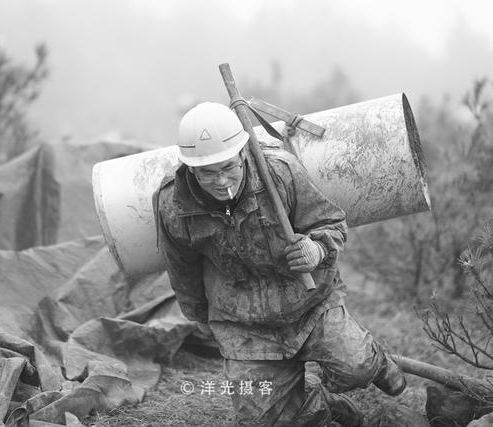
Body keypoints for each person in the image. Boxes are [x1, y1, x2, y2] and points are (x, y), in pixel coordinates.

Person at [152, 101, 406, 426]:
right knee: (265, 420)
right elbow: (182, 270)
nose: (221, 181)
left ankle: (376, 362)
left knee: (356, 366)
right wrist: (200, 318)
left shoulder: (280, 172)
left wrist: (316, 248)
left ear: (243, 153)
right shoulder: (173, 206)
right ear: (190, 168)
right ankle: (320, 404)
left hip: (309, 304)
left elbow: (331, 221)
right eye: (208, 173)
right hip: (243, 324)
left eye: (229, 167)